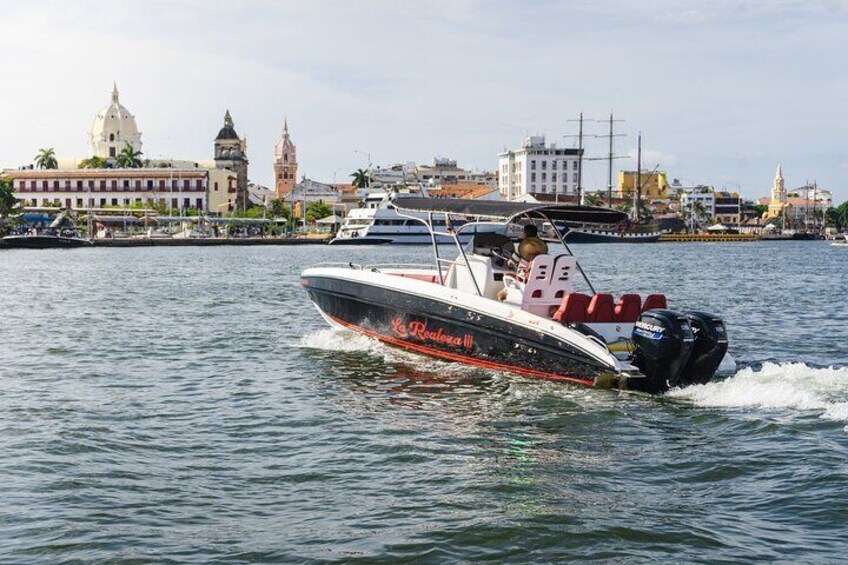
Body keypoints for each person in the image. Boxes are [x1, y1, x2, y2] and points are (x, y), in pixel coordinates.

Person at [497, 224, 548, 301]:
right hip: (538, 280)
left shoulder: (523, 247)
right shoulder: (542, 248)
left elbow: (510, 263)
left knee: (500, 295)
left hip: (523, 279)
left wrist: (509, 260)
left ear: (525, 234)